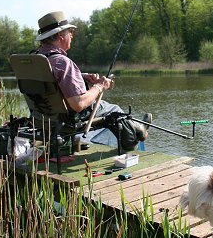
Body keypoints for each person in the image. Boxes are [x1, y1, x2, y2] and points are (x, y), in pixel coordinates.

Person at [35, 11, 152, 151]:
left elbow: (53, 80)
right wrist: (99, 86)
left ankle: (138, 129)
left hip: (42, 116)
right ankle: (134, 137)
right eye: (70, 31)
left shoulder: (37, 59)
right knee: (114, 111)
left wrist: (81, 76)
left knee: (109, 109)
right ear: (61, 35)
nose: (72, 35)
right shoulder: (62, 62)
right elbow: (79, 104)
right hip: (67, 119)